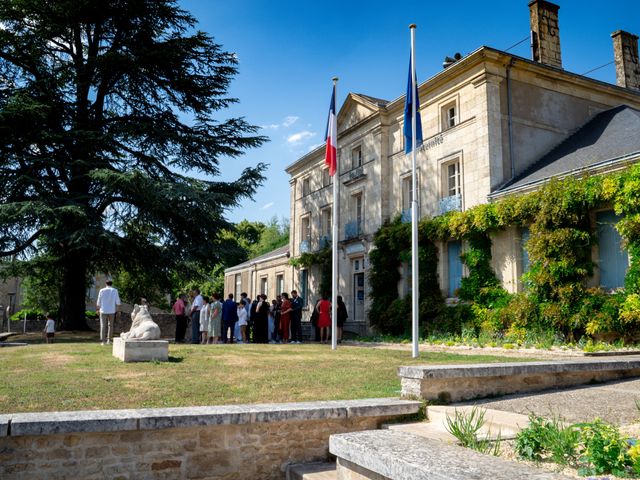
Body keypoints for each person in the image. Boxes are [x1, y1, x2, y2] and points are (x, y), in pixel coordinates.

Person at [96, 280, 121, 345]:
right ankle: (109, 340)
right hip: (112, 311)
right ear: (111, 284)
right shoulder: (115, 290)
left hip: (103, 310)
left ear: (105, 284)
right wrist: (118, 310)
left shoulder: (101, 290)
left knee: (103, 326)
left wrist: (97, 309)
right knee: (111, 325)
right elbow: (118, 301)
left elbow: (99, 301)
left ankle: (103, 341)